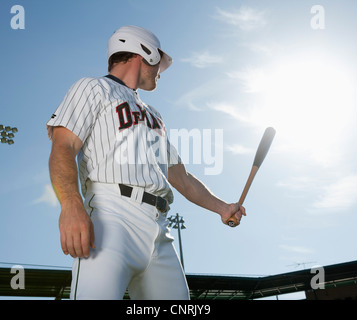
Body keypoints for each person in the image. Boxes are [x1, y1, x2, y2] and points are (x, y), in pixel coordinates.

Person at [47, 25, 245, 300]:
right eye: (158, 63)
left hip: (160, 228)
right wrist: (70, 204)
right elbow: (63, 147)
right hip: (111, 217)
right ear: (145, 53)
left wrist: (223, 207)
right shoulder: (93, 87)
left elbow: (182, 179)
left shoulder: (155, 114)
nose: (160, 72)